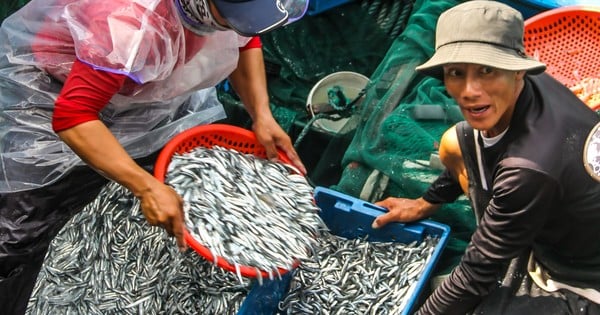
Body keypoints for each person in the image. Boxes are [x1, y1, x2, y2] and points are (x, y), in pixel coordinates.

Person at [0, 0, 308, 313]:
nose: (234, 25)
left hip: (139, 86)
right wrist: (145, 187)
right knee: (16, 233)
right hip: (52, 90)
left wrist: (261, 114)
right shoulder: (126, 25)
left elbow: (244, 37)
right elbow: (73, 114)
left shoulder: (220, 14)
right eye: (228, 19)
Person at [371, 1, 600, 314]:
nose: (469, 91)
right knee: (454, 140)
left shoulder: (529, 167)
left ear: (517, 71)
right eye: (456, 73)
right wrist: (424, 203)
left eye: (487, 70)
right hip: (553, 213)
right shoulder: (527, 87)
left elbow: (473, 279)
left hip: (582, 275)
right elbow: (470, 143)